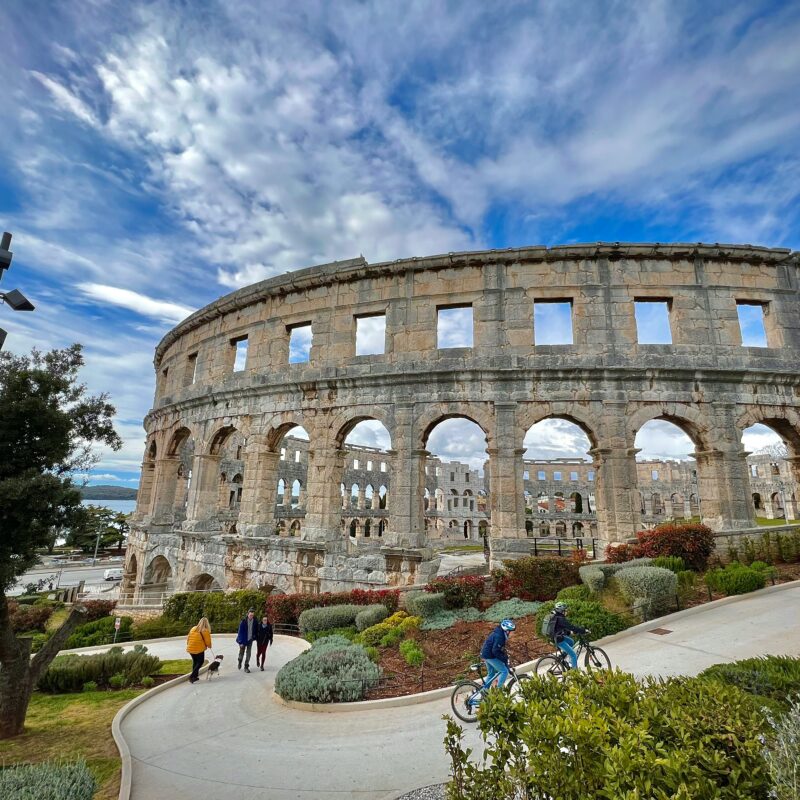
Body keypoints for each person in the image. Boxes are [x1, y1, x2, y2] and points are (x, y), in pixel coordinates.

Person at [479, 618, 516, 689]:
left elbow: (498, 649)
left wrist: (504, 656)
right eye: (512, 632)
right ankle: (499, 692)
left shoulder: (500, 633)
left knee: (491, 674)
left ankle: (484, 692)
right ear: (507, 631)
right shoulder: (500, 637)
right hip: (489, 655)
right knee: (504, 671)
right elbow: (495, 651)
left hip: (485, 653)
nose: (513, 634)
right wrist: (504, 658)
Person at [551, 601, 589, 669]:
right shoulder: (560, 619)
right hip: (558, 639)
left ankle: (562, 657)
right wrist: (583, 630)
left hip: (558, 636)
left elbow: (560, 628)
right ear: (561, 610)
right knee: (573, 655)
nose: (567, 611)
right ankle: (574, 673)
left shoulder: (557, 617)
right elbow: (571, 627)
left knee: (571, 642)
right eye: (565, 610)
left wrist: (569, 632)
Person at [186, 617, 212, 684]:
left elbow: (188, 638)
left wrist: (188, 645)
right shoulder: (205, 630)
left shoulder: (193, 628)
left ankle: (195, 677)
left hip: (190, 648)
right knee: (200, 662)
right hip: (199, 649)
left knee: (195, 662)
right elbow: (208, 642)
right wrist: (209, 646)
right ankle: (191, 676)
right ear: (207, 623)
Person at [236, 607, 258, 672]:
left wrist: (255, 637)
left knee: (249, 654)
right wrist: (240, 642)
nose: (251, 616)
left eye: (252, 615)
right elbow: (240, 632)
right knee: (241, 653)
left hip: (250, 640)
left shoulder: (255, 621)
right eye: (250, 615)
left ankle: (246, 666)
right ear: (248, 614)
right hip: (243, 640)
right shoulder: (243, 621)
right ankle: (240, 661)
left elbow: (256, 630)